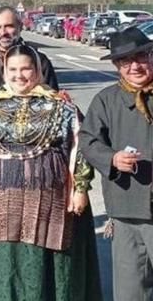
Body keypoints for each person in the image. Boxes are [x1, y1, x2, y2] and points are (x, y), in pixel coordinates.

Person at [0, 44, 101, 301]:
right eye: (13, 69)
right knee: (1, 257)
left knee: (40, 257)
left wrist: (80, 188)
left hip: (47, 202)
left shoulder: (61, 107)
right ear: (4, 72)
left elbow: (79, 146)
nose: (19, 75)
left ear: (37, 71)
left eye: (26, 69)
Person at [79, 27, 153, 300]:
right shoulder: (106, 101)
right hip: (127, 210)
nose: (134, 66)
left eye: (141, 56)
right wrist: (111, 158)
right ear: (116, 66)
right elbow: (88, 141)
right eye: (125, 61)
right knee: (130, 292)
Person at [0, 6, 58, 98]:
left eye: (9, 26)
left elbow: (53, 100)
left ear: (20, 27)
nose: (3, 32)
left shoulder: (39, 61)